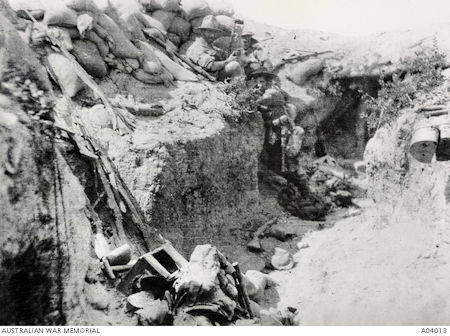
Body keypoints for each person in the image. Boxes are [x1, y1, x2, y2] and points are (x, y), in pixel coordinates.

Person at [248, 67, 302, 173]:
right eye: (258, 82)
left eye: (261, 82)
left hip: (279, 127)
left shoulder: (271, 92)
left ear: (268, 82)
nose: (259, 85)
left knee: (278, 153)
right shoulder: (271, 90)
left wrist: (253, 95)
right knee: (273, 151)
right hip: (275, 125)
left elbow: (257, 103)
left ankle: (282, 177)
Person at [186, 16, 242, 81]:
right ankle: (236, 88)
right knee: (235, 65)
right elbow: (212, 66)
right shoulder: (196, 48)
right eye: (209, 32)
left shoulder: (209, 45)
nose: (212, 35)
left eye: (214, 32)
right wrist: (228, 61)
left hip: (215, 75)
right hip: (209, 78)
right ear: (202, 31)